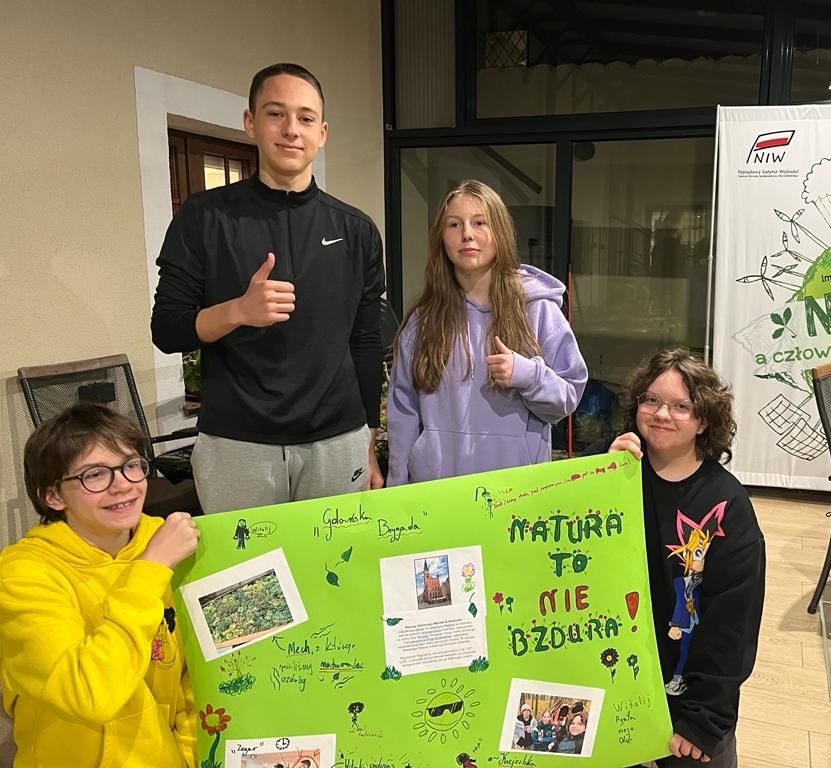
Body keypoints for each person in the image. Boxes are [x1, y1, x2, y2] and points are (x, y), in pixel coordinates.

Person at [151, 62, 386, 513]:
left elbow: (365, 340)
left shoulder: (356, 230)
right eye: (276, 114)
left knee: (335, 555)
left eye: (305, 118)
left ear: (322, 133)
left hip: (337, 437)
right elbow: (166, 329)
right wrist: (237, 311)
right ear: (250, 122)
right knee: (247, 560)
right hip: (237, 441)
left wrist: (368, 437)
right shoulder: (204, 217)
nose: (291, 129)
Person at [590, 349, 765, 768]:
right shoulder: (609, 464)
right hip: (611, 685)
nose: (662, 414)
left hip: (689, 706)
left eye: (681, 406)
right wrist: (598, 476)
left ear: (704, 420)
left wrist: (704, 718)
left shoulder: (727, 505)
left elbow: (733, 626)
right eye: (651, 400)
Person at [0, 403, 200, 767]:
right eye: (94, 474)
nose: (123, 484)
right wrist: (151, 569)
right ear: (53, 496)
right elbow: (89, 694)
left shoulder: (164, 540)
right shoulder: (22, 574)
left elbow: (197, 669)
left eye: (131, 465)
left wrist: (189, 755)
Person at [386, 179, 587, 485]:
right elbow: (404, 414)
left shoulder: (536, 310)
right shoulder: (422, 322)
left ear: (500, 232)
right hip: (437, 494)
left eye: (480, 222)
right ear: (441, 237)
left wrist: (527, 375)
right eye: (454, 224)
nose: (467, 234)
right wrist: (398, 489)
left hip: (515, 493)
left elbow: (567, 397)